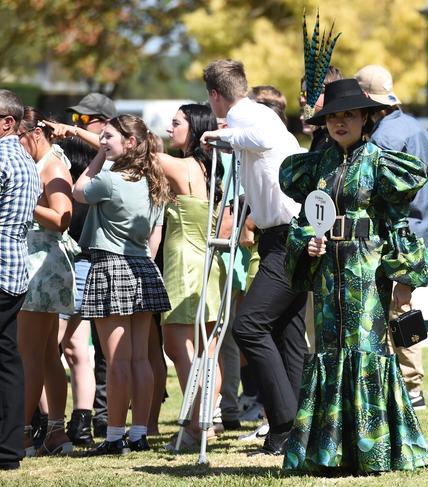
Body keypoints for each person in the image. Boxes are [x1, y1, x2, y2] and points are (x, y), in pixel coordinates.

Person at [279, 78, 428, 474]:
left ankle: (374, 450)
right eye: (333, 116)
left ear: (367, 118)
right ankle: (329, 452)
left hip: (366, 271)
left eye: (349, 114)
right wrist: (306, 244)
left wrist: (404, 272)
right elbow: (303, 223)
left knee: (366, 350)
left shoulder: (381, 163)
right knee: (328, 351)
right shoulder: (316, 166)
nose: (340, 122)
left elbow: (398, 222)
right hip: (327, 276)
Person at [199, 59, 306, 456]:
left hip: (287, 237)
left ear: (214, 96)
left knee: (249, 327)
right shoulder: (248, 116)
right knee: (289, 334)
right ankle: (292, 431)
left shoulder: (251, 115)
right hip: (282, 235)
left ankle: (284, 420)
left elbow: (260, 135)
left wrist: (221, 135)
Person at [73, 114, 170, 456]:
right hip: (143, 267)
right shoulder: (154, 181)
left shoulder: (110, 179)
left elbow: (78, 191)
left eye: (108, 137)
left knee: (117, 361)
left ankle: (114, 438)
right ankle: (139, 434)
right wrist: (143, 262)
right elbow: (155, 235)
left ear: (130, 143)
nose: (102, 141)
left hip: (111, 266)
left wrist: (98, 159)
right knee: (140, 359)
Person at [356, 64, 428, 410]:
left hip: (392, 235)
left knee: (394, 309)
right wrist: (421, 195)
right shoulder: (413, 125)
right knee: (404, 307)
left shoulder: (381, 139)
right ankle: (412, 386)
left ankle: (409, 387)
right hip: (418, 233)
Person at [156, 103, 226, 449]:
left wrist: (79, 133)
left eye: (176, 123)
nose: (170, 129)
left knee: (178, 344)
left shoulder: (182, 165)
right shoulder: (211, 166)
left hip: (185, 262)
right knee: (207, 347)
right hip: (210, 262)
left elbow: (132, 151)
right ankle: (208, 420)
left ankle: (197, 424)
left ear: (195, 128)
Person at [47, 92, 116, 438]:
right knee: (75, 347)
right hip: (81, 259)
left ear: (106, 122)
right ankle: (80, 424)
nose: (75, 125)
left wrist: (72, 134)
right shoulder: (82, 156)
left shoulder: (111, 163)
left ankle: (51, 423)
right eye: (74, 119)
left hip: (80, 258)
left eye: (83, 120)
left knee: (53, 345)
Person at [17, 107, 77, 456]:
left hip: (43, 265)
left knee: (30, 355)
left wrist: (26, 204)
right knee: (46, 354)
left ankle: (22, 433)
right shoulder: (44, 161)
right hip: (42, 263)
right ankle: (56, 431)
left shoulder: (52, 166)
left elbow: (61, 218)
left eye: (20, 140)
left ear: (35, 134)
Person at [0, 90, 40, 470]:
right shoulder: (26, 160)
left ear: (7, 122)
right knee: (8, 360)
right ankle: (9, 451)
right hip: (15, 267)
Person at [56, 137, 97, 446]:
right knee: (77, 351)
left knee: (48, 349)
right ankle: (82, 424)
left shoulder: (70, 191)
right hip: (85, 265)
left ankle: (44, 421)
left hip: (66, 267)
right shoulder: (90, 192)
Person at [299, 66, 342, 151]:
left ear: (327, 93)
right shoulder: (320, 136)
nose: (302, 99)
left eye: (307, 94)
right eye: (301, 93)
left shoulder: (339, 136)